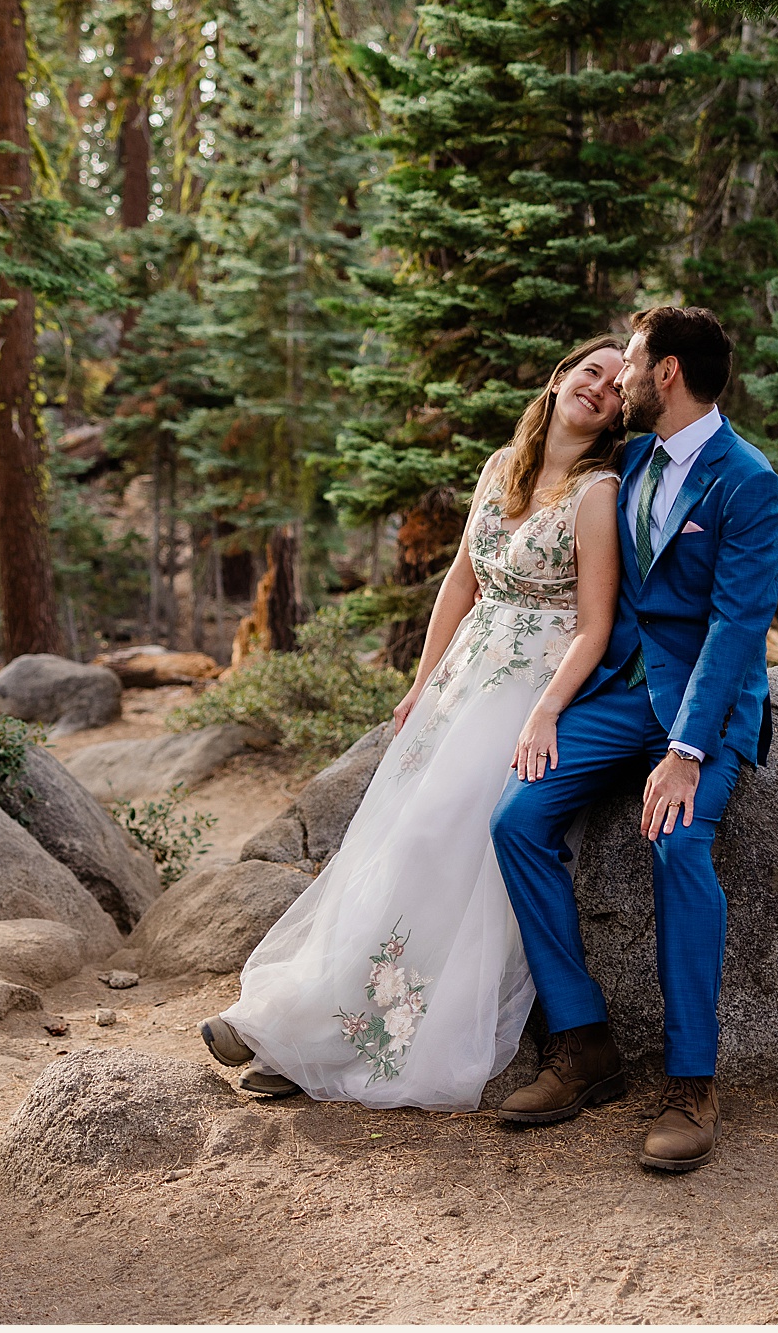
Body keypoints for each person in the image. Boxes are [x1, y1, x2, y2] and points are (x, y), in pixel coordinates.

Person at [197, 336, 628, 1109]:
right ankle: (299, 1029)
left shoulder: (598, 493)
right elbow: (460, 580)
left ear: (619, 413)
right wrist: (420, 685)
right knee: (387, 846)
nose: (600, 387)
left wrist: (545, 712)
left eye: (618, 386)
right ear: (562, 377)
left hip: (523, 690)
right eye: (591, 371)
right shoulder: (503, 465)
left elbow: (595, 626)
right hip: (461, 684)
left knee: (439, 846)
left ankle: (351, 1039)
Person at [489, 305, 778, 1172]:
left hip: (705, 705)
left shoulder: (747, 479)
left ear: (667, 375)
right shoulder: (634, 458)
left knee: (676, 839)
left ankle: (692, 1082)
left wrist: (687, 753)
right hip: (620, 691)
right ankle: (583, 1042)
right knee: (517, 820)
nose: (615, 379)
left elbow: (737, 626)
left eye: (630, 365)